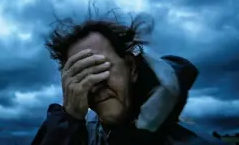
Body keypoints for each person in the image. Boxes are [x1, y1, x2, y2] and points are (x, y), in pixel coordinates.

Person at [32, 13, 224, 145]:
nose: (95, 85)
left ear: (131, 67)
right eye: (81, 74)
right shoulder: (79, 137)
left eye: (100, 68)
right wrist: (67, 122)